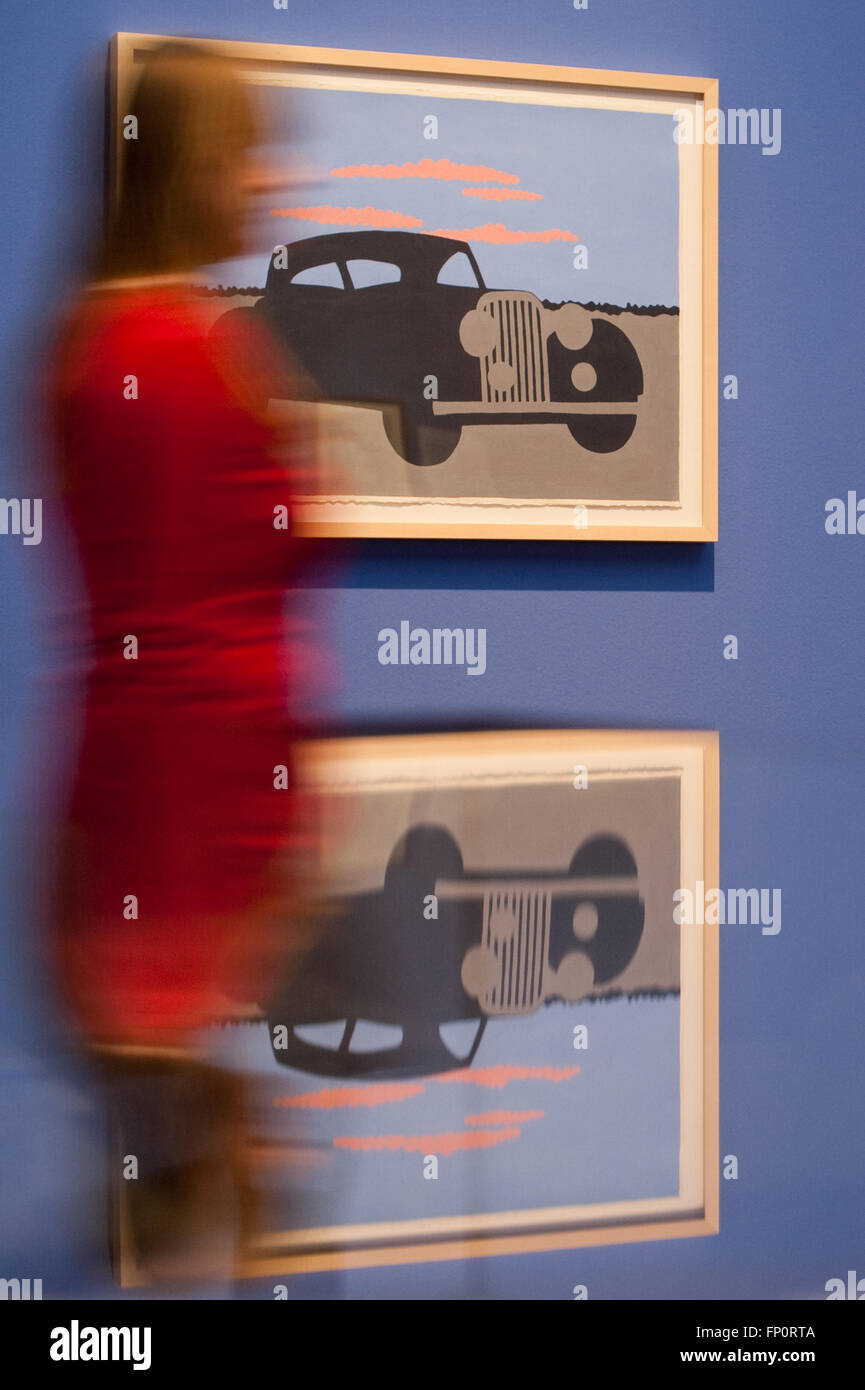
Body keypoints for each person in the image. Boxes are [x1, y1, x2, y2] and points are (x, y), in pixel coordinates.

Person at [46, 41, 316, 1285]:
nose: (263, 186)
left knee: (163, 1178)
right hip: (198, 803)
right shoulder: (185, 347)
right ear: (187, 168)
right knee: (188, 1178)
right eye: (244, 155)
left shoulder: (88, 340)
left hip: (134, 796)